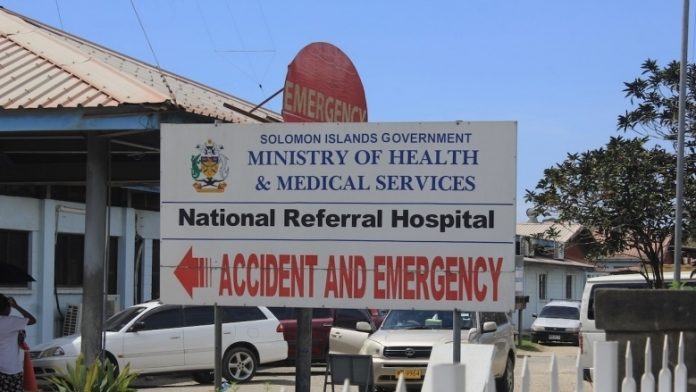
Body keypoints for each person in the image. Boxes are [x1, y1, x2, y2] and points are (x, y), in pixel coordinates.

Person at [0, 294, 36, 392]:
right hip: (10, 370)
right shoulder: (11, 321)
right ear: (7, 308)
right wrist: (17, 306)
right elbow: (32, 320)